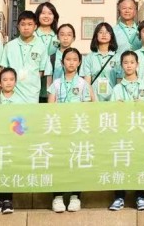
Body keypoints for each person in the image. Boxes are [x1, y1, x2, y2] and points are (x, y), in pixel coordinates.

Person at [106, 51, 144, 213]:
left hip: (140, 132)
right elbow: (111, 111)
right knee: (121, 162)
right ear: (122, 65)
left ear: (137, 65)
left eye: (132, 62)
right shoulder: (118, 88)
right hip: (122, 132)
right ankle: (119, 197)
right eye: (125, 62)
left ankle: (141, 196)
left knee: (140, 163)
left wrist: (143, 105)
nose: (129, 65)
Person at [49, 47, 92, 213]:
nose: (71, 62)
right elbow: (50, 108)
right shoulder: (56, 84)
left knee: (77, 160)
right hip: (59, 128)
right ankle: (57, 196)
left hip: (77, 128)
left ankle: (75, 196)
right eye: (68, 59)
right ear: (62, 62)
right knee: (58, 161)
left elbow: (87, 106)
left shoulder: (83, 84)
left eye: (75, 59)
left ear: (79, 62)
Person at [0, 68, 33, 216]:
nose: (8, 82)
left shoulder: (21, 102)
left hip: (13, 142)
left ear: (15, 81)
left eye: (11, 79)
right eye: (5, 80)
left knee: (9, 168)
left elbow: (24, 123)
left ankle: (7, 200)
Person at [1, 11, 46, 103]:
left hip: (32, 94)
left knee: (31, 117)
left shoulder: (42, 47)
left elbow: (41, 70)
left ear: (35, 26)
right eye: (23, 24)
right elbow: (3, 68)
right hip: (12, 93)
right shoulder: (9, 46)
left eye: (30, 24)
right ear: (18, 26)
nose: (26, 27)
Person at [81, 22, 121, 102]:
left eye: (107, 32)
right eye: (101, 32)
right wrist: (92, 100)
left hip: (113, 99)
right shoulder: (89, 57)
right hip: (94, 99)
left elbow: (119, 81)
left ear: (111, 35)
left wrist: (117, 98)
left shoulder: (118, 57)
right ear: (96, 35)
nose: (104, 35)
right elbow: (87, 83)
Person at [34, 2, 60, 102]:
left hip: (53, 80)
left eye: (50, 13)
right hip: (34, 80)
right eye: (43, 13)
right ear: (38, 15)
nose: (46, 16)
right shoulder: (32, 36)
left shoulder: (58, 36)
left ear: (54, 16)